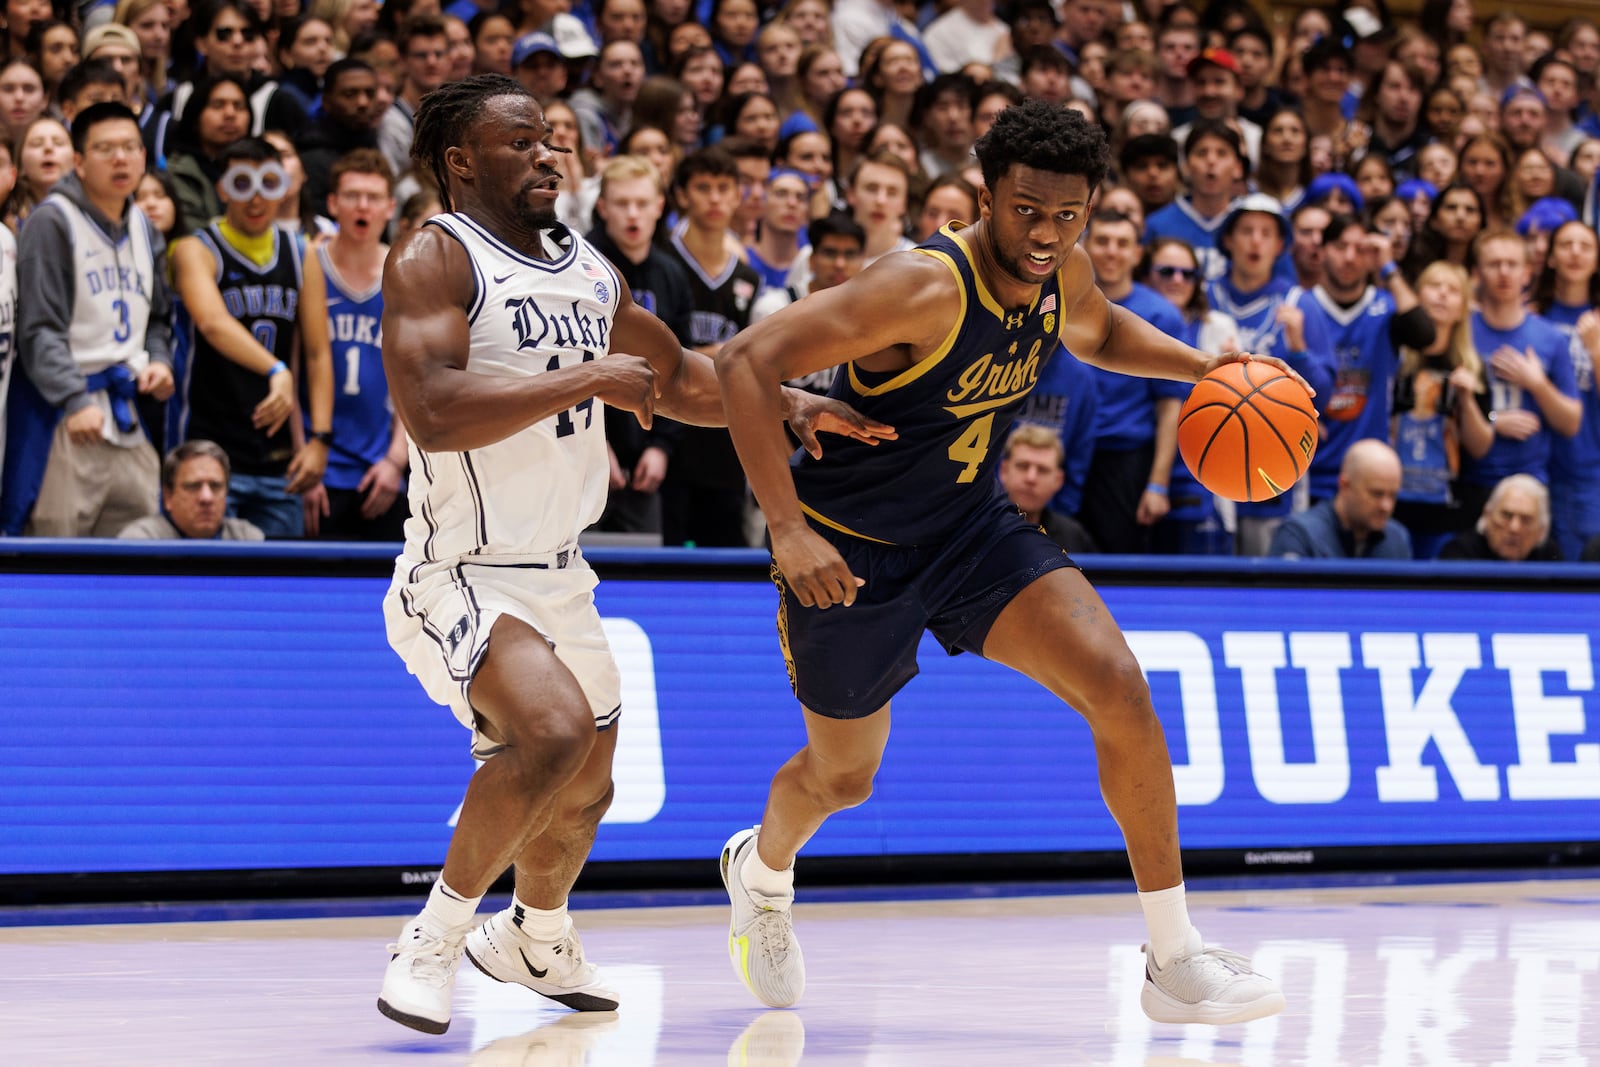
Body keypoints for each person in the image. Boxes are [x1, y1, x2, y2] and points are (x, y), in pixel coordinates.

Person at [713, 100, 1288, 1025]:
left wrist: (1209, 372)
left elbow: (1097, 332)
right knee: (843, 779)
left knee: (1119, 682)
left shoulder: (1064, 269)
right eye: (1026, 210)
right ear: (984, 195)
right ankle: (762, 871)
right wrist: (784, 526)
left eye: (1069, 215)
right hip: (849, 551)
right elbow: (745, 360)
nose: (1046, 234)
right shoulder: (918, 286)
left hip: (972, 526)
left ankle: (1173, 956)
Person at [374, 73, 885, 1035]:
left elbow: (682, 378)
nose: (545, 154)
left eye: (549, 140)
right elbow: (432, 415)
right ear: (459, 161)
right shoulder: (433, 258)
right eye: (520, 142)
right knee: (554, 731)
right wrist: (584, 374)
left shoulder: (584, 266)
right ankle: (434, 938)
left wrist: (786, 404)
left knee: (590, 783)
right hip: (463, 567)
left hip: (562, 568)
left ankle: (537, 932)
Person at [1, 102, 173, 538]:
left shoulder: (144, 225)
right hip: (65, 415)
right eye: (106, 149)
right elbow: (38, 329)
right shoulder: (52, 221)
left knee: (140, 552)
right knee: (57, 557)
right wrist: (74, 400)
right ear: (78, 160)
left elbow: (157, 318)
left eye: (131, 147)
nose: (121, 159)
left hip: (128, 414)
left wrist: (158, 359)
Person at [167, 136, 334, 538]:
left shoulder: (301, 252)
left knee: (279, 586)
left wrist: (320, 440)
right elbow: (212, 322)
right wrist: (276, 368)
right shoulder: (194, 249)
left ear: (283, 185)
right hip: (207, 448)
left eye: (268, 183)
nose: (256, 199)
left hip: (277, 459)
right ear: (222, 188)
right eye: (243, 184)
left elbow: (317, 352)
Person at [585, 152, 696, 536]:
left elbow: (683, 367)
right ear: (602, 207)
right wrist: (595, 445)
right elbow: (564, 364)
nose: (633, 214)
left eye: (642, 203)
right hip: (581, 453)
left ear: (660, 207)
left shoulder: (672, 274)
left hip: (646, 457)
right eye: (621, 203)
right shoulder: (578, 267)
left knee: (642, 571)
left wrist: (662, 447)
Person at [303, 149, 408, 541]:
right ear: (332, 204)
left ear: (390, 207)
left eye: (374, 197)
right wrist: (305, 459)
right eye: (351, 195)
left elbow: (414, 377)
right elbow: (299, 365)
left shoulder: (404, 274)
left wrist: (397, 460)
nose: (362, 206)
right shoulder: (310, 264)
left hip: (381, 467)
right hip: (319, 467)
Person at [1307, 213, 1435, 501]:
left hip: (1369, 476)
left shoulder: (1387, 306)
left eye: (1362, 249)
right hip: (1309, 471)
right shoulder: (1301, 305)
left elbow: (1424, 335)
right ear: (1322, 250)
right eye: (1340, 247)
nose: (1350, 257)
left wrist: (1388, 267)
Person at [1268, 439, 1412, 559]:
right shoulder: (1300, 535)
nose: (1386, 506)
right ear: (1345, 485)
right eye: (1376, 494)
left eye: (1393, 495)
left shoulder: (1397, 539)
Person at [118, 439, 266, 540]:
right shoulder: (141, 540)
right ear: (168, 497)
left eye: (215, 486)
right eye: (193, 486)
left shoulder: (247, 539)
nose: (206, 497)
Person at [999, 422, 1095, 554]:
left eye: (1043, 470)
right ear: (1004, 470)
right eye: (1023, 466)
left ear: (1058, 480)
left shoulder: (1073, 536)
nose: (1031, 478)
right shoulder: (976, 528)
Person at [1440, 473, 1562, 560]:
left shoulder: (1549, 558)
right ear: (1487, 515)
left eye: (1526, 520)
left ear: (1541, 530)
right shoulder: (1460, 555)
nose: (1514, 528)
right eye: (1506, 516)